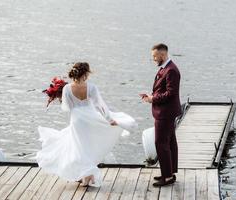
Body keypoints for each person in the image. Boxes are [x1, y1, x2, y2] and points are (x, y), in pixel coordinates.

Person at [36, 62, 137, 187]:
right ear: (85, 74)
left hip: (77, 120)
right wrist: (109, 119)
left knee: (80, 147)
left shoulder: (67, 88)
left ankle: (86, 173)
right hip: (91, 118)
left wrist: (64, 99)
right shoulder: (91, 87)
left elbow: (66, 108)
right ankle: (87, 173)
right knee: (89, 146)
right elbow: (100, 105)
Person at [141, 43, 182, 187]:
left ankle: (168, 176)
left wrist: (153, 99)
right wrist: (151, 95)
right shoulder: (165, 68)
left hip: (165, 113)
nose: (153, 59)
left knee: (161, 143)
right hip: (165, 111)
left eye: (154, 56)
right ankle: (169, 173)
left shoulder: (171, 70)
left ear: (163, 55)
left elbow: (171, 94)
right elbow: (164, 90)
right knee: (170, 142)